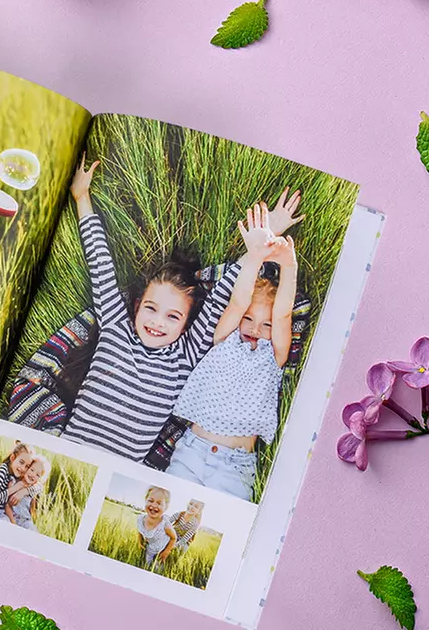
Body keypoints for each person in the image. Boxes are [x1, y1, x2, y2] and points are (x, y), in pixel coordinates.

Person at [62, 155, 274, 461]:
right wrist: (81, 197)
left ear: (186, 324)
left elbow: (221, 296)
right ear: (136, 306)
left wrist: (262, 245)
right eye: (151, 308)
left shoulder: (185, 355)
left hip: (117, 475)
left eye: (173, 316)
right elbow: (100, 264)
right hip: (67, 453)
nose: (158, 322)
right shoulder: (115, 328)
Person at [169, 218, 298, 500]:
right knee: (171, 510)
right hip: (192, 451)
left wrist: (288, 266)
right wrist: (254, 257)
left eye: (265, 325)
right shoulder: (224, 340)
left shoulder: (273, 357)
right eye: (249, 320)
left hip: (234, 466)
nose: (254, 329)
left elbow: (283, 315)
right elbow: (238, 301)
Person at [0, 441, 33, 518]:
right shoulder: (2, 471)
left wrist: (24, 491)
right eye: (21, 462)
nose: (23, 469)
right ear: (12, 458)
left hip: (1, 513)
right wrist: (14, 488)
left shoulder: (15, 473)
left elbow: (38, 487)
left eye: (27, 466)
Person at [136, 486, 177, 571]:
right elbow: (140, 530)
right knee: (147, 563)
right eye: (150, 501)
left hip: (161, 549)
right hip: (150, 548)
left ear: (166, 507)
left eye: (159, 503)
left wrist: (166, 552)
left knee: (158, 567)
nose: (154, 505)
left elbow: (174, 538)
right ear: (145, 500)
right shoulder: (141, 519)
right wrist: (140, 542)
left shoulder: (165, 524)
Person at [5, 455, 49, 531]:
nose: (33, 475)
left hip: (25, 521)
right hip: (10, 517)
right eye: (32, 470)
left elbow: (39, 487)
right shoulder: (14, 482)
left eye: (37, 475)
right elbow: (7, 505)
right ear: (27, 468)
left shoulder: (33, 490)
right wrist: (13, 522)